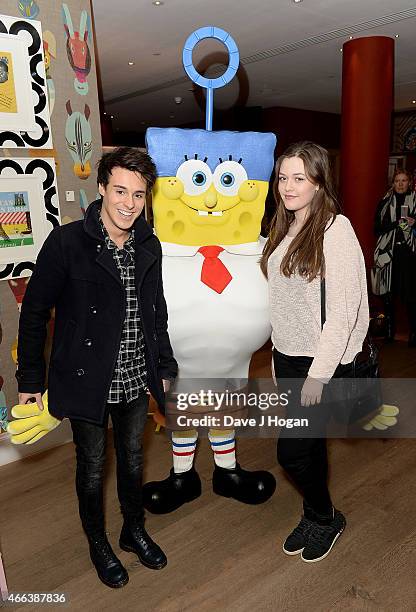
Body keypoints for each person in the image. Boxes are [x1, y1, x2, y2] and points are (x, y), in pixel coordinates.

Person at [16, 147, 178, 588]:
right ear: (102, 189)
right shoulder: (68, 242)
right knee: (91, 465)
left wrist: (164, 365)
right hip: (87, 380)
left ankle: (133, 529)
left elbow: (155, 313)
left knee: (132, 459)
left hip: (133, 377)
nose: (129, 203)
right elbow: (33, 312)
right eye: (120, 191)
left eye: (139, 195)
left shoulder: (149, 244)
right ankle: (98, 541)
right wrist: (31, 379)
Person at [261, 141, 369, 563]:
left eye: (299, 178)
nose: (288, 186)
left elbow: (342, 313)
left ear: (320, 182)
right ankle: (314, 513)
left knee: (290, 452)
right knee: (310, 447)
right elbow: (280, 305)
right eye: (283, 177)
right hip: (288, 356)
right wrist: (275, 357)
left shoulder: (335, 230)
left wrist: (317, 375)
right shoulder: (282, 227)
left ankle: (325, 517)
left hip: (317, 362)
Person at [372, 169, 416, 345]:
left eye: (404, 180)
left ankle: (413, 333)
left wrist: (414, 222)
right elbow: (377, 228)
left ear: (409, 182)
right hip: (388, 254)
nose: (400, 184)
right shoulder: (384, 202)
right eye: (397, 180)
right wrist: (396, 223)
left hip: (410, 254)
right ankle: (390, 332)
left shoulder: (414, 201)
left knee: (411, 295)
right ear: (393, 183)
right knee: (388, 294)